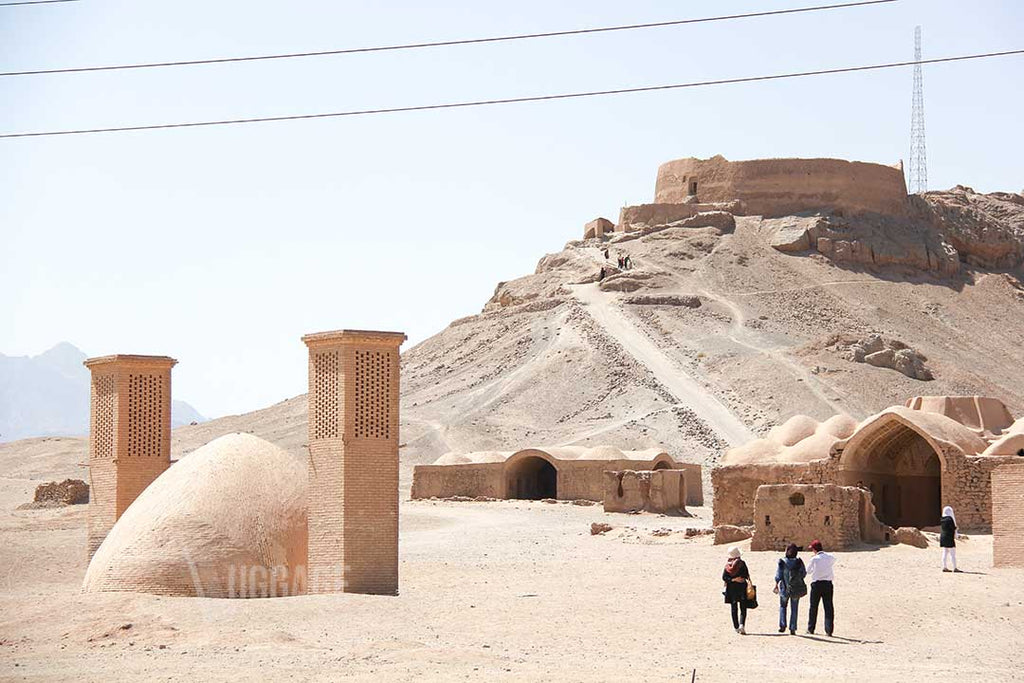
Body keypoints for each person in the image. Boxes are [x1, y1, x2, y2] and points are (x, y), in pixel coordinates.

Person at [773, 543, 807, 635]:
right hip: (796, 588)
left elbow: (778, 575)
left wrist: (776, 584)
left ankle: (782, 625)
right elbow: (803, 573)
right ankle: (793, 628)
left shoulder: (782, 562)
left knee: (783, 606)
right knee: (794, 608)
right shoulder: (799, 562)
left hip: (784, 588)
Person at [805, 539, 835, 636]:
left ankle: (811, 628)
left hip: (817, 584)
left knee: (813, 607)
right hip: (828, 584)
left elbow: (808, 571)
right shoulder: (830, 557)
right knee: (828, 607)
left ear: (814, 549)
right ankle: (829, 630)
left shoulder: (814, 559)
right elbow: (833, 560)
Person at [722, 546, 751, 635]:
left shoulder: (728, 565)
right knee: (743, 607)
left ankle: (736, 627)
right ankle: (742, 624)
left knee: (734, 608)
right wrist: (739, 578)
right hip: (741, 587)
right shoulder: (742, 564)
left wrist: (732, 579)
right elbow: (746, 575)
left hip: (731, 589)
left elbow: (724, 577)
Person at [940, 505, 961, 573]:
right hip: (949, 538)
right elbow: (952, 528)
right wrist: (956, 529)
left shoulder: (942, 519)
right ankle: (955, 568)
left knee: (945, 552)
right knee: (952, 554)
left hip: (943, 538)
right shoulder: (950, 519)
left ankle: (944, 567)